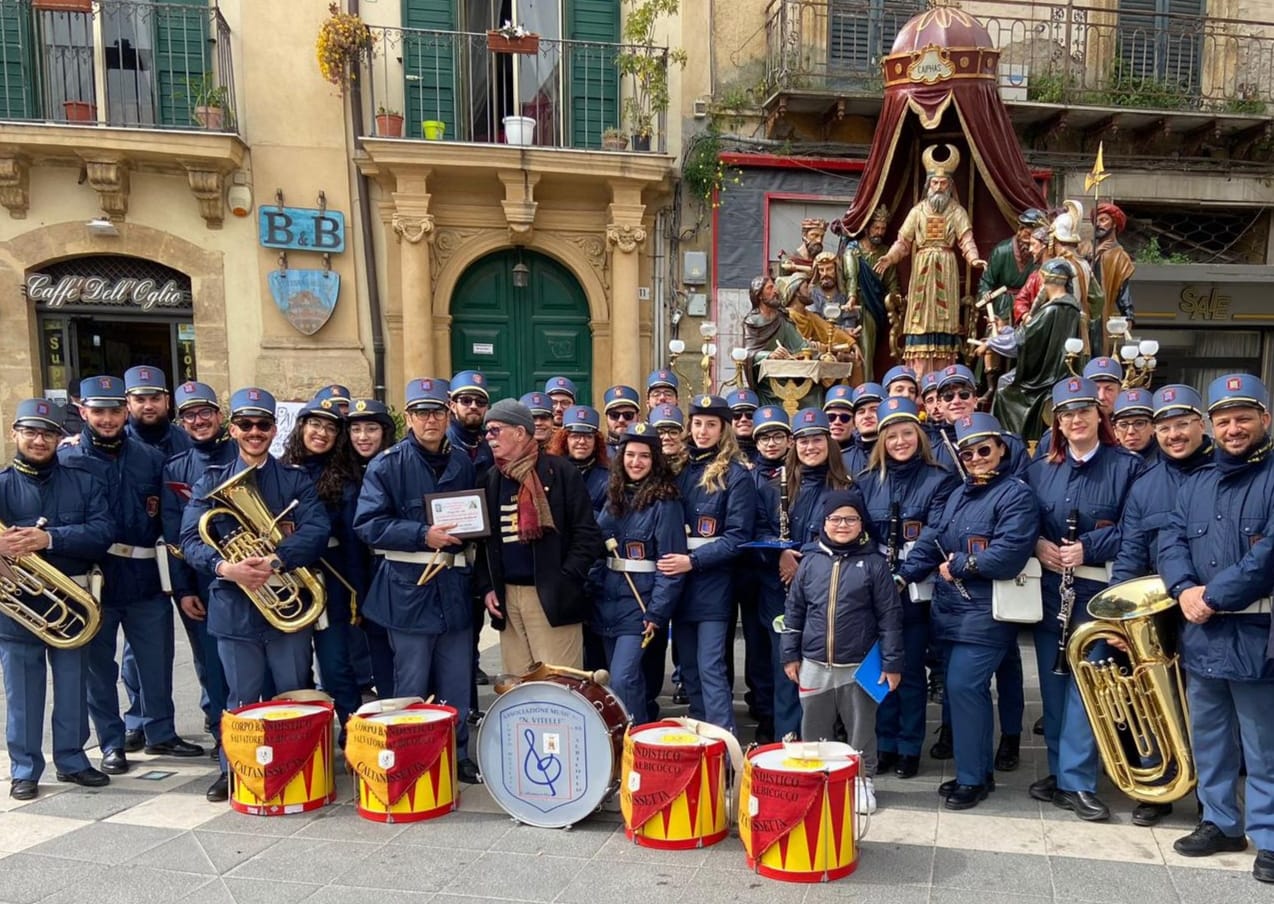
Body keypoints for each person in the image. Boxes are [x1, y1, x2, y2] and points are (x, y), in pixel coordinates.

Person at [181, 387, 330, 802]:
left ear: (274, 429)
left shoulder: (295, 480)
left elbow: (317, 530)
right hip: (234, 605)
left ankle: (299, 769)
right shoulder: (210, 481)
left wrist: (278, 560)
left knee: (293, 692)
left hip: (287, 602)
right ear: (233, 429)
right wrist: (226, 567)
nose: (254, 432)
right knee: (240, 697)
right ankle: (234, 769)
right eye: (245, 425)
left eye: (263, 425)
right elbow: (191, 539)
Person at [1158, 374, 1274, 883]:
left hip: (1257, 631)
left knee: (1262, 741)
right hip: (1202, 630)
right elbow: (1171, 541)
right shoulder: (1196, 482)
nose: (1233, 428)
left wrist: (1210, 596)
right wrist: (1183, 587)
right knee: (1208, 734)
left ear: (1265, 420)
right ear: (1212, 425)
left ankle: (1269, 835)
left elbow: (1269, 554)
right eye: (1223, 420)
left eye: (1243, 418)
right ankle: (1221, 820)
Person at [60, 375, 203, 777]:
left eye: (114, 410)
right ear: (83, 411)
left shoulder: (149, 458)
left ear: (125, 411)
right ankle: (110, 741)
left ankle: (161, 731)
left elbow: (168, 522)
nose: (107, 419)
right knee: (100, 667)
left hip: (144, 573)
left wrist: (176, 579)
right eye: (98, 411)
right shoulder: (68, 459)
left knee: (157, 660)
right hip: (94, 577)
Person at [906, 412, 1040, 808]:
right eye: (967, 453)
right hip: (949, 610)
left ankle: (970, 778)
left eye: (984, 449)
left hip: (986, 612)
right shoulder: (958, 493)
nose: (976, 457)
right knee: (964, 692)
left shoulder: (1016, 494)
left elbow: (1009, 554)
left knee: (965, 687)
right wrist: (901, 574)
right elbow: (932, 538)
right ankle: (978, 771)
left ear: (1001, 449)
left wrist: (961, 565)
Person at [1026, 376, 1142, 822]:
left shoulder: (1128, 466)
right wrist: (1038, 544)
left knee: (1087, 686)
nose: (1075, 420)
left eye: (1083, 411)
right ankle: (1059, 773)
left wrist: (1090, 548)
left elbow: (1137, 530)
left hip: (1099, 591)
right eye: (1066, 413)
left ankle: (1078, 780)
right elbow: (1022, 521)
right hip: (1051, 589)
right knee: (1053, 686)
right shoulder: (1040, 469)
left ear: (1100, 415)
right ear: (1058, 421)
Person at [354, 378, 481, 782]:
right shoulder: (387, 464)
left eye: (437, 412)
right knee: (410, 681)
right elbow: (368, 525)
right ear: (408, 418)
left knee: (457, 680)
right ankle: (409, 755)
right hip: (408, 589)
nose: (431, 420)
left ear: (448, 414)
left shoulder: (462, 461)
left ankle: (456, 754)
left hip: (454, 589)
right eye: (422, 413)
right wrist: (420, 533)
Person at [1107, 383, 1213, 828]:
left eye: (1182, 424)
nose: (1173, 434)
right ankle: (1160, 786)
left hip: (1210, 607)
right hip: (1155, 613)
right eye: (1164, 426)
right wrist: (1116, 614)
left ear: (1200, 425)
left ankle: (1212, 800)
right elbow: (1130, 552)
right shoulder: (1146, 485)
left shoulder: (1220, 473)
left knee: (1207, 708)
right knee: (1149, 702)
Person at [1, 399, 114, 800]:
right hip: (17, 605)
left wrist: (49, 538)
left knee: (72, 685)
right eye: (30, 431)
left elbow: (103, 532)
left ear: (58, 438)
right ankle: (25, 768)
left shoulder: (83, 481)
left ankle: (72, 760)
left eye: (47, 433)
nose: (38, 440)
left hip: (72, 600)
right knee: (22, 692)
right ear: (15, 433)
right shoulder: (1, 484)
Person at [781, 489, 902, 814]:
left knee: (861, 726)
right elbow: (794, 611)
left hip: (859, 663)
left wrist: (891, 663)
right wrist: (789, 653)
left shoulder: (874, 564)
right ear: (824, 523)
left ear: (861, 523)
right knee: (814, 726)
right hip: (814, 662)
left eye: (850, 518)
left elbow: (890, 617)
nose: (842, 524)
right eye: (835, 518)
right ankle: (816, 777)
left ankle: (862, 779)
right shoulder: (811, 562)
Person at [858, 397, 959, 779]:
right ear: (881, 440)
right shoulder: (867, 481)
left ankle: (908, 746)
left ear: (918, 435)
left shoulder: (939, 478)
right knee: (878, 670)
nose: (900, 442)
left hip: (917, 587)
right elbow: (859, 530)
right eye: (892, 435)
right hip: (875, 586)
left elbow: (935, 533)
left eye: (907, 434)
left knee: (911, 669)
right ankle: (883, 743)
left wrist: (904, 574)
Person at [476, 399, 603, 674]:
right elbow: (484, 543)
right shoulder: (491, 478)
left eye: (495, 430)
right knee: (517, 686)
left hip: (552, 595)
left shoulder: (560, 472)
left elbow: (588, 535)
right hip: (507, 598)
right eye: (487, 431)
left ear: (520, 432)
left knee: (559, 686)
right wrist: (487, 587)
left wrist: (565, 578)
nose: (488, 437)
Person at [656, 395, 757, 733]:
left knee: (711, 666)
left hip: (712, 585)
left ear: (723, 429)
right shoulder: (677, 468)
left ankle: (723, 747)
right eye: (697, 423)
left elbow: (737, 538)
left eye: (711, 424)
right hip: (677, 585)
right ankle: (699, 737)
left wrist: (693, 561)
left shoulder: (736, 476)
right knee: (688, 668)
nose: (702, 431)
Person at [161, 381, 237, 766]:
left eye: (205, 412)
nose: (198, 420)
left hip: (251, 573)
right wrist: (183, 588)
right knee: (211, 663)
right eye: (189, 415)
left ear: (219, 416)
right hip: (204, 581)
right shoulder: (176, 468)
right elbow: (176, 537)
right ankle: (223, 738)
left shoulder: (244, 452)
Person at [280, 394, 364, 735]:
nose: (321, 433)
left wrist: (360, 590)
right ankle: (305, 739)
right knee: (293, 668)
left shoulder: (347, 477)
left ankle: (354, 733)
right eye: (315, 424)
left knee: (336, 665)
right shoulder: (279, 471)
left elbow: (352, 538)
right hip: (288, 581)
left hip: (331, 577)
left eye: (330, 428)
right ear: (301, 427)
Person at [593, 422, 686, 720]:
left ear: (655, 460)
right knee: (616, 682)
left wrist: (657, 612)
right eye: (630, 455)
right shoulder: (613, 497)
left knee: (624, 677)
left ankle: (637, 742)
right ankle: (626, 740)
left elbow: (670, 565)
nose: (636, 462)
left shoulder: (666, 502)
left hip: (640, 604)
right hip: (606, 601)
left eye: (644, 456)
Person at [873, 145, 985, 377]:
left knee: (945, 320)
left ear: (950, 186)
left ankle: (945, 373)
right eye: (935, 183)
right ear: (928, 185)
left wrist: (974, 259)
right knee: (919, 319)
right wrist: (889, 257)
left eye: (943, 184)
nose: (939, 187)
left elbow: (966, 240)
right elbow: (903, 242)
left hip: (946, 266)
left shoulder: (956, 211)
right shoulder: (918, 211)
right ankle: (919, 373)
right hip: (922, 266)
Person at [993, 259, 1086, 442]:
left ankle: (1013, 441)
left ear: (1044, 279)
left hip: (1043, 381)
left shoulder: (1052, 310)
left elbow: (1022, 341)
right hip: (1059, 373)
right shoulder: (1071, 308)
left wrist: (992, 342)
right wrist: (1005, 330)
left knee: (1004, 387)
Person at [749, 405, 798, 740]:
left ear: (789, 440)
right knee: (760, 652)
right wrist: (777, 554)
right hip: (761, 574)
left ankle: (789, 723)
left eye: (777, 435)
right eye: (764, 436)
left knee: (787, 651)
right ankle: (767, 714)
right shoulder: (748, 476)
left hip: (798, 572)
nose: (771, 442)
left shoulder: (801, 472)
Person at [345, 398, 398, 698]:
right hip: (352, 572)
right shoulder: (339, 472)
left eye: (371, 428)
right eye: (356, 429)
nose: (363, 437)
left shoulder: (397, 464)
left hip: (388, 568)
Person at [781, 409, 859, 589]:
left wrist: (804, 559)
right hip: (781, 579)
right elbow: (762, 527)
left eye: (817, 440)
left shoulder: (847, 487)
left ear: (829, 443)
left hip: (828, 581)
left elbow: (855, 536)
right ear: (794, 444)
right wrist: (780, 553)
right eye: (803, 441)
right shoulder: (776, 486)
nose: (810, 447)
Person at [743, 275, 810, 406]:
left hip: (788, 375)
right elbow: (748, 353)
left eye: (775, 286)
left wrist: (814, 349)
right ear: (760, 295)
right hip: (767, 381)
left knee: (815, 392)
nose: (776, 291)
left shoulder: (781, 318)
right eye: (770, 288)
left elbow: (800, 345)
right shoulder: (752, 322)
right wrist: (770, 355)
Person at [1090, 202, 1135, 355]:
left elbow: (1123, 291)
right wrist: (1094, 254)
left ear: (1114, 223)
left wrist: (1128, 316)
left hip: (1102, 315)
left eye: (1103, 220)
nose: (1098, 224)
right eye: (1096, 220)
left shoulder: (1120, 256)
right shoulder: (1084, 248)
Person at [547, 405, 609, 513]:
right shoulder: (551, 472)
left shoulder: (608, 478)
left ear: (596, 442)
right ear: (565, 441)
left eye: (588, 436)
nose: (581, 441)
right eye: (575, 436)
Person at [123, 365, 192, 459]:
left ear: (167, 401)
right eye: (140, 400)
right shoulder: (119, 443)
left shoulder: (186, 439)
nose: (148, 406)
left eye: (155, 399)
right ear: (128, 404)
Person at [447, 371, 494, 479]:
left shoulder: (492, 444)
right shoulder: (441, 444)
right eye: (466, 401)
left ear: (487, 408)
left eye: (480, 402)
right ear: (453, 406)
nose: (473, 406)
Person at [844, 382, 883, 476]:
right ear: (854, 421)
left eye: (874, 410)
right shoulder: (842, 460)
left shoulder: (898, 451)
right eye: (861, 412)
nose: (867, 416)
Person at [1111, 388, 1157, 461]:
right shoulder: (1106, 463)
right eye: (1123, 425)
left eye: (1139, 424)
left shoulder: (1169, 465)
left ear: (1154, 427)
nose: (1131, 431)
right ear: (1115, 431)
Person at [603, 385, 642, 457]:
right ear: (606, 418)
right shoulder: (597, 453)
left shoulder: (647, 450)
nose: (621, 420)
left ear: (638, 417)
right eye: (614, 415)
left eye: (628, 415)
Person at [726, 388, 760, 461]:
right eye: (736, 415)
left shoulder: (769, 451)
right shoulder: (720, 453)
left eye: (749, 415)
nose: (743, 419)